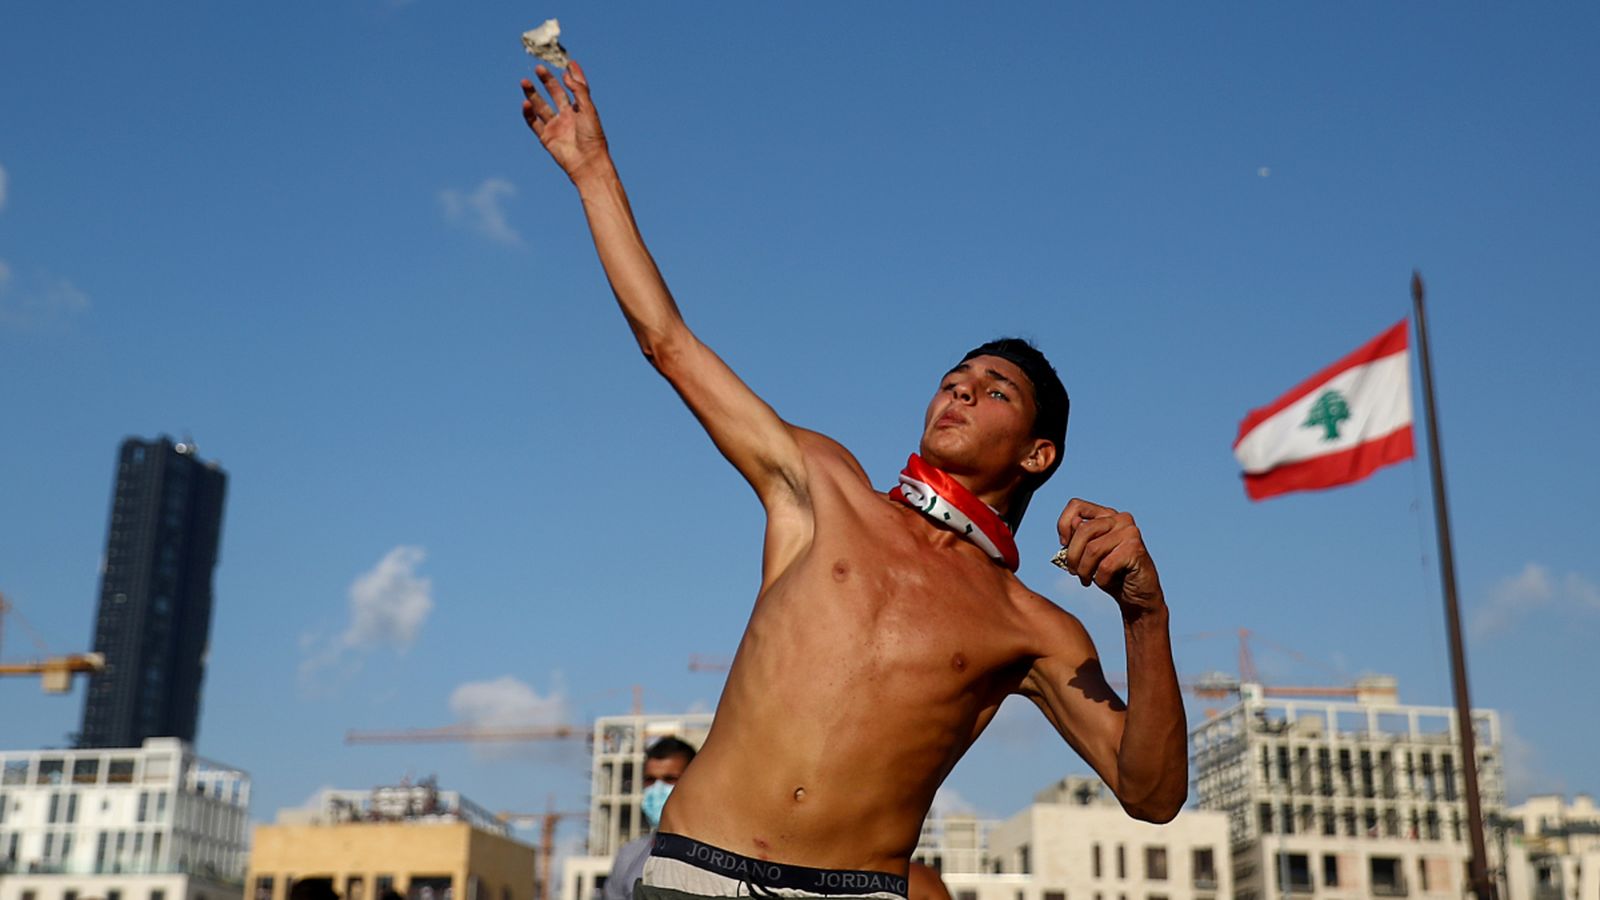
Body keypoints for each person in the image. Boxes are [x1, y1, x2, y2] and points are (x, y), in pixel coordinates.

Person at [520, 62, 1187, 900]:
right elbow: (669, 343)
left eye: (996, 390)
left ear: (1038, 455)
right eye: (956, 375)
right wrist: (593, 172)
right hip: (693, 871)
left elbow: (1153, 795)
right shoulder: (824, 488)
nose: (962, 388)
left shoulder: (1032, 627)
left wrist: (1144, 612)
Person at [604, 737, 698, 900]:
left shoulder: (718, 853)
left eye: (670, 779)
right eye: (650, 780)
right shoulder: (629, 855)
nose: (657, 789)